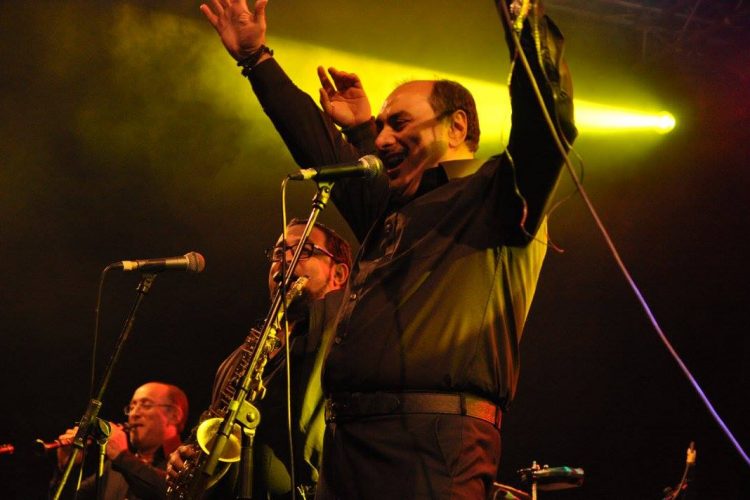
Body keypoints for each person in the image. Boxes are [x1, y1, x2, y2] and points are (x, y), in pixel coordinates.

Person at [200, 0, 576, 498]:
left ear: (457, 127)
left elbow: (544, 127)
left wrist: (525, 21)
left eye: (398, 123)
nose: (382, 138)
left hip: (429, 447)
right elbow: (320, 150)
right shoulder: (392, 210)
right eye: (380, 127)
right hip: (348, 447)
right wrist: (256, 59)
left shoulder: (497, 197)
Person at [167, 220, 352, 499]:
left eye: (303, 250)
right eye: (278, 253)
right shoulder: (238, 358)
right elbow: (210, 425)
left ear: (338, 274)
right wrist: (187, 453)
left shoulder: (345, 334)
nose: (285, 259)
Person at [51, 382, 189, 499]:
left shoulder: (187, 461)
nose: (134, 414)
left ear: (174, 415)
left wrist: (121, 456)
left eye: (146, 405)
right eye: (131, 407)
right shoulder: (112, 468)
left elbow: (174, 493)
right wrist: (68, 466)